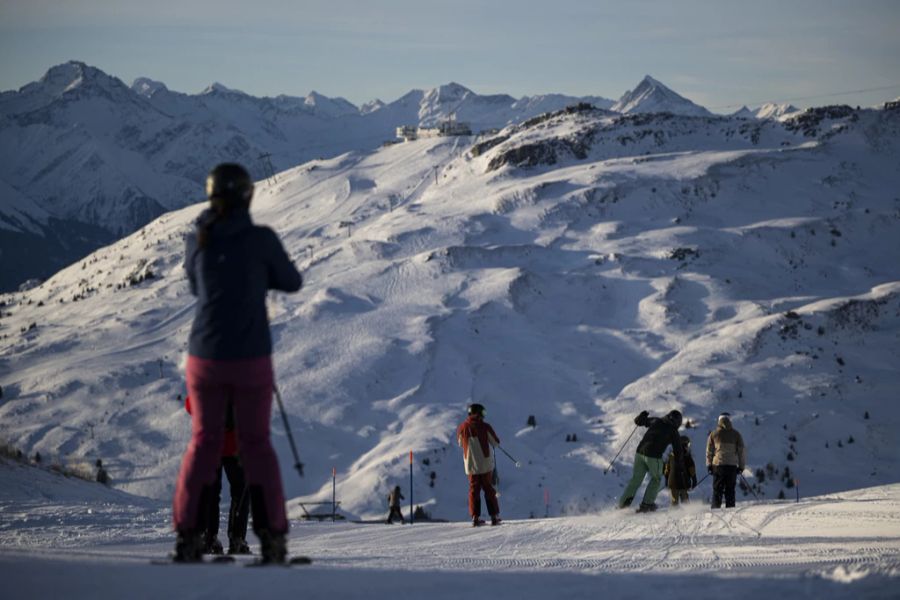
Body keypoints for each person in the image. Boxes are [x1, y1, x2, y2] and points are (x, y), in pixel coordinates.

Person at [172, 163, 302, 563]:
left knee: (202, 444)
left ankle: (188, 537)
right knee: (256, 446)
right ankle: (273, 539)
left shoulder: (199, 240)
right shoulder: (260, 239)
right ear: (248, 196)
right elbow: (292, 281)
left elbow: (197, 285)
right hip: (249, 355)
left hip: (204, 355)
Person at [185, 394, 251, 554]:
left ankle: (208, 538)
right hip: (233, 446)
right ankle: (237, 539)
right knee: (240, 491)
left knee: (210, 492)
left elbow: (190, 406)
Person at [617, 409, 683, 512]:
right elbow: (678, 450)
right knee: (656, 479)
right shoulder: (673, 431)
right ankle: (647, 504)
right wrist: (679, 466)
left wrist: (641, 415)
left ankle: (622, 505)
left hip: (639, 453)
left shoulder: (657, 421)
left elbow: (638, 422)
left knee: (636, 480)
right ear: (677, 422)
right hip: (653, 456)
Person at [456, 403, 501, 526]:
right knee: (488, 489)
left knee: (473, 490)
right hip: (485, 464)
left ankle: (475, 518)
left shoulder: (462, 428)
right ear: (478, 413)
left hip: (470, 465)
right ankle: (494, 517)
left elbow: (460, 443)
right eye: (482, 413)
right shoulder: (485, 427)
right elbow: (496, 442)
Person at [706, 413, 746, 509]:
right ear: (730, 420)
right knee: (730, 490)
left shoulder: (714, 434)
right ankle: (730, 510)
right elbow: (742, 452)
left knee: (717, 490)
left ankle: (715, 510)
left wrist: (709, 465)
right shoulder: (736, 434)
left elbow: (709, 451)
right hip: (731, 467)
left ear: (719, 421)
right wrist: (741, 467)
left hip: (718, 466)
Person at [663, 435, 697, 506]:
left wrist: (666, 480)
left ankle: (674, 514)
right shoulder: (687, 455)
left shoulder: (671, 455)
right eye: (687, 444)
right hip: (683, 482)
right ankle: (687, 515)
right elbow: (691, 469)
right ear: (684, 444)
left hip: (672, 483)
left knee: (674, 501)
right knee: (685, 502)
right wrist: (694, 479)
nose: (688, 446)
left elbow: (667, 469)